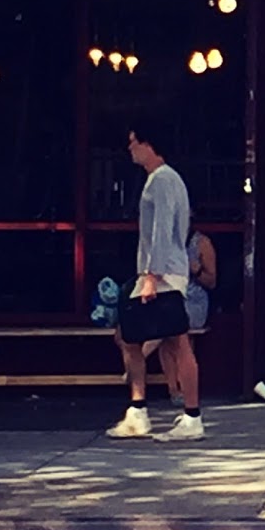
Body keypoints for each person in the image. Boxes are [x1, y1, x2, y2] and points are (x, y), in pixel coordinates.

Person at [108, 122, 204, 442]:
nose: (130, 148)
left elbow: (161, 230)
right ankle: (140, 411)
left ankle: (189, 416)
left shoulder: (162, 181)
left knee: (176, 341)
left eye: (134, 142)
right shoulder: (165, 180)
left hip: (161, 273)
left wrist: (151, 276)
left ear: (149, 145)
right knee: (131, 337)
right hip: (163, 271)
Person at [131, 221, 216, 406]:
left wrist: (198, 270)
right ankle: (174, 390)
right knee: (166, 330)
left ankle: (137, 361)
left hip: (193, 301)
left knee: (169, 326)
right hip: (169, 298)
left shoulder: (201, 243)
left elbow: (212, 282)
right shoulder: (164, 244)